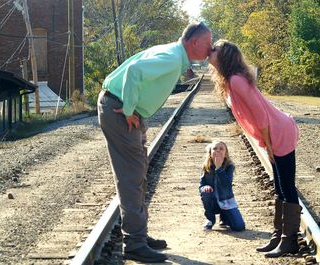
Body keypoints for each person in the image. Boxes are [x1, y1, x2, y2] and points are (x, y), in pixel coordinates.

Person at [97, 22, 212, 263]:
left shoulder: (172, 54)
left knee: (137, 173)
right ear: (194, 43)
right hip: (120, 109)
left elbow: (136, 70)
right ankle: (135, 242)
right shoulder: (171, 58)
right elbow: (135, 71)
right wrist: (128, 109)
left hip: (124, 108)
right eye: (208, 43)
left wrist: (134, 110)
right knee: (131, 176)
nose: (210, 48)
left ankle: (139, 235)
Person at [208, 40, 301, 258]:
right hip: (274, 133)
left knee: (287, 187)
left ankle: (290, 241)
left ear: (224, 57)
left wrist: (268, 145)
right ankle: (279, 236)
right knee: (279, 186)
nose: (210, 52)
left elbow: (260, 115)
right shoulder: (231, 80)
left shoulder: (236, 80)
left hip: (279, 133)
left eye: (215, 50)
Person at [199, 140, 245, 232]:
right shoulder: (206, 166)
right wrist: (204, 187)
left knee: (239, 227)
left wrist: (219, 168)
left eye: (221, 149)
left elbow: (226, 184)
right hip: (213, 201)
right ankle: (210, 219)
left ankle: (224, 217)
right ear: (210, 153)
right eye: (215, 149)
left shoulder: (229, 166)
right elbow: (201, 185)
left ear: (225, 153)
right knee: (205, 192)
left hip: (226, 202)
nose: (218, 151)